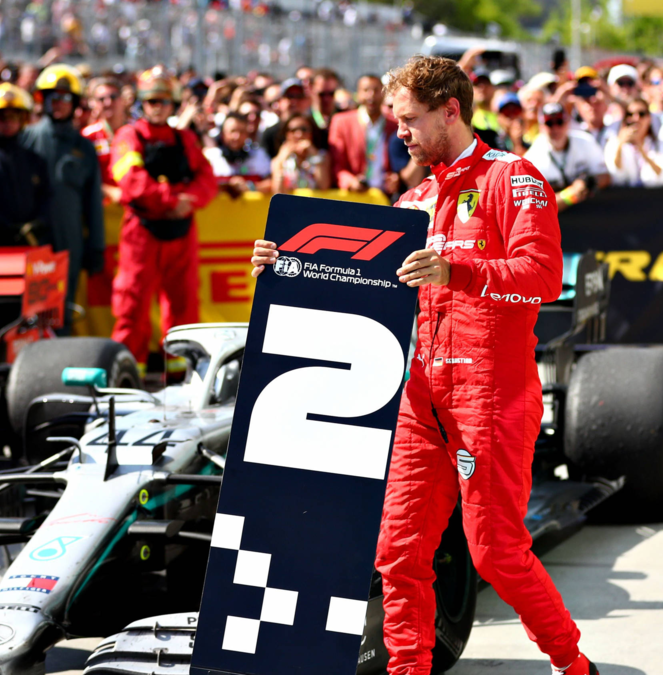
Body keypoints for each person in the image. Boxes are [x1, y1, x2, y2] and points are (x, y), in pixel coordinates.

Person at [250, 54, 597, 675]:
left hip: (491, 394)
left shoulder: (513, 177)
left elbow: (544, 277)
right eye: (396, 119)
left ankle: (573, 664)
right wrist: (287, 268)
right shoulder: (413, 198)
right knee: (397, 551)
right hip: (421, 397)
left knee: (496, 552)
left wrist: (455, 269)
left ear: (450, 111)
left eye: (409, 119)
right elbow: (364, 286)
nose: (399, 132)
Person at [109, 66, 217, 370]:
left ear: (173, 104)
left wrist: (189, 201)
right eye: (151, 101)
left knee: (184, 303)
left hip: (181, 231)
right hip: (141, 232)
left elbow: (207, 178)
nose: (157, 107)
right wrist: (171, 200)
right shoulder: (129, 136)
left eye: (164, 101)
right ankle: (129, 371)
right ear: (142, 104)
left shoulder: (185, 139)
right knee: (132, 303)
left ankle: (181, 370)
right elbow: (129, 178)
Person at [22, 64, 105, 335]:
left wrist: (96, 246)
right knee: (30, 311)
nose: (57, 103)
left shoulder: (84, 148)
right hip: (31, 239)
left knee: (62, 310)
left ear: (76, 103)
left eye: (65, 98)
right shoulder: (26, 139)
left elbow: (92, 203)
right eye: (51, 97)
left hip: (69, 241)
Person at [0, 82, 52, 246]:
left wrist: (37, 223)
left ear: (22, 119)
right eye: (2, 117)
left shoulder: (33, 158)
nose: (8, 122)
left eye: (14, 116)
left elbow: (45, 197)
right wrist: (2, 226)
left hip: (29, 242)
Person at [523, 103, 610, 211]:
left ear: (568, 123)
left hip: (590, 212)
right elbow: (535, 204)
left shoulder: (585, 141)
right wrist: (570, 195)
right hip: (556, 219)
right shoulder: (532, 158)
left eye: (559, 122)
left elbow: (605, 176)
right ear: (541, 127)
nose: (555, 128)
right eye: (549, 123)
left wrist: (586, 183)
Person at [328, 74, 399, 195]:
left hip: (385, 196)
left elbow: (400, 162)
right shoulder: (341, 122)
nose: (371, 95)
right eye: (366, 90)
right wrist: (350, 182)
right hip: (354, 196)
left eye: (376, 90)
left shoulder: (395, 124)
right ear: (358, 94)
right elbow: (336, 164)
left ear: (383, 94)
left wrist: (396, 179)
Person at [605, 98, 663, 186]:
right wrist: (620, 144)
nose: (636, 119)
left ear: (649, 118)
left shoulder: (661, 145)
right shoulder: (614, 142)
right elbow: (615, 174)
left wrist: (642, 151)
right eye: (630, 114)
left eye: (641, 114)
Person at [81, 77, 129, 203]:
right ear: (94, 104)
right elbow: (83, 176)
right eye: (101, 99)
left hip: (133, 205)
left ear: (123, 100)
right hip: (101, 206)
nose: (108, 103)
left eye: (113, 97)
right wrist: (109, 191)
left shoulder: (136, 132)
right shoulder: (88, 136)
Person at [204, 112, 272, 196]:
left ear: (247, 134)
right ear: (223, 134)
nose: (237, 136)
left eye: (241, 132)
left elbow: (271, 182)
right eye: (232, 131)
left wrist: (250, 187)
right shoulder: (211, 157)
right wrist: (225, 187)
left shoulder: (259, 155)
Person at [270, 112, 331, 192]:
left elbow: (324, 185)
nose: (299, 135)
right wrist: (281, 159)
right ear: (286, 134)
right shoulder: (278, 160)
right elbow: (277, 190)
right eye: (293, 130)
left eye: (304, 129)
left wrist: (314, 154)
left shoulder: (322, 156)